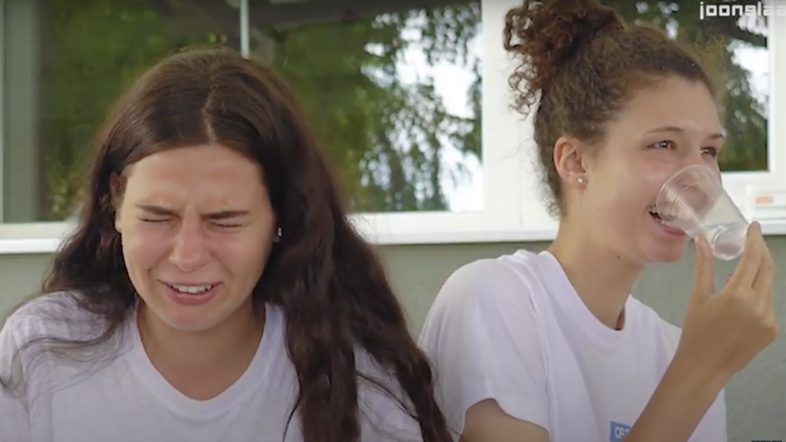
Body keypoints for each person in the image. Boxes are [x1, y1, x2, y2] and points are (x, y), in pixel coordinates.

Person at [0, 46, 453, 442]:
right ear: (115, 203)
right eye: (157, 217)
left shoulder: (356, 375)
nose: (188, 255)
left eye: (224, 221)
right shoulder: (40, 352)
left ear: (281, 217)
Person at [417, 1, 778, 442]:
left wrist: (701, 367)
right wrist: (700, 371)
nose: (699, 180)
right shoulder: (493, 301)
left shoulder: (672, 350)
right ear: (575, 161)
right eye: (664, 145)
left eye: (709, 151)